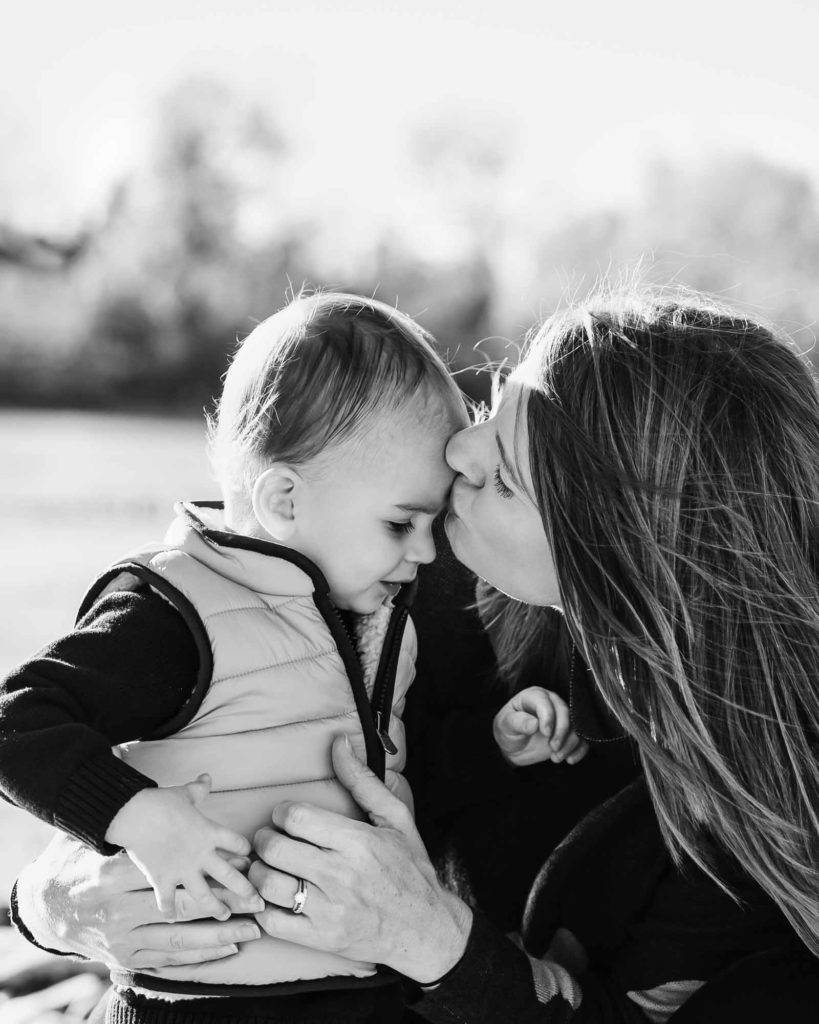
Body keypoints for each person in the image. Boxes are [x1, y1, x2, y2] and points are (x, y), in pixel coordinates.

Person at [14, 285, 819, 1021]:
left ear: (617, 550)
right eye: (497, 405)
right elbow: (148, 742)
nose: (462, 454)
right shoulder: (399, 588)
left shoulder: (756, 834)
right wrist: (54, 905)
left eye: (503, 477)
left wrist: (436, 942)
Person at [0, 291, 470, 1021]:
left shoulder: (386, 621)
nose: (427, 550)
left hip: (363, 991)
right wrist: (141, 820)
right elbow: (17, 725)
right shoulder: (175, 613)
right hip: (200, 1001)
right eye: (401, 522)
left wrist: (514, 735)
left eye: (434, 522)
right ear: (284, 500)